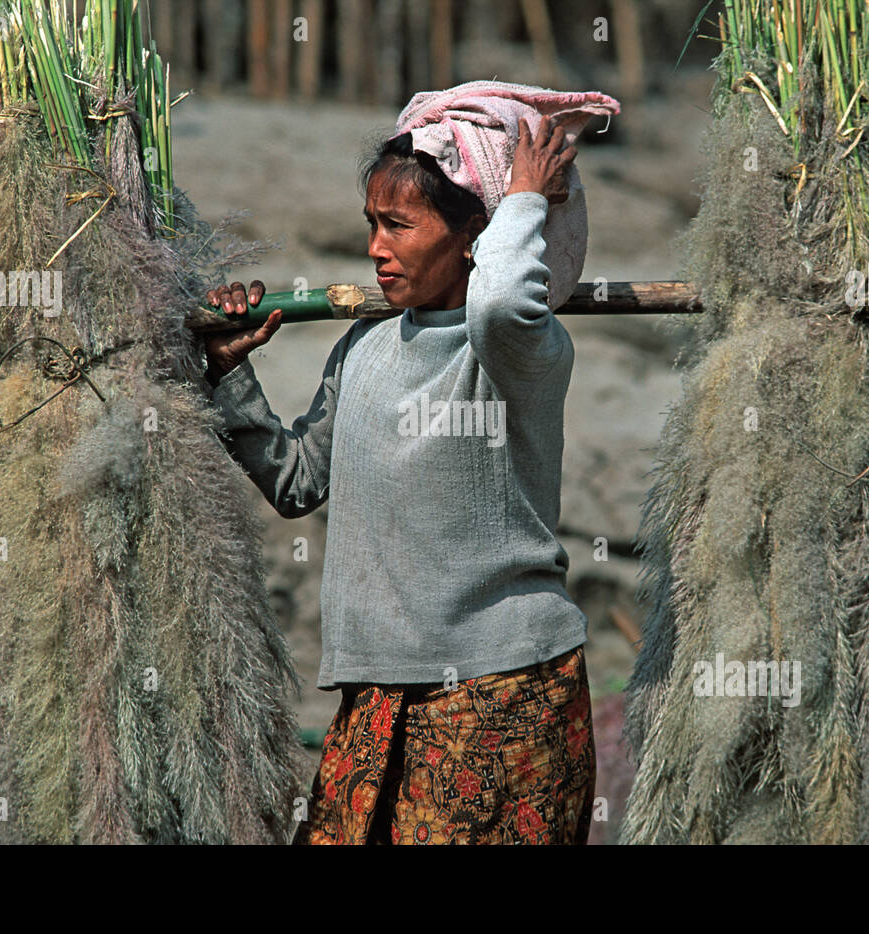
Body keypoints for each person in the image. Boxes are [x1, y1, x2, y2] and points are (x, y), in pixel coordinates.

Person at [204, 113, 596, 845]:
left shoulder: (520, 351)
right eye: (371, 225)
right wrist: (230, 375)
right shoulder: (364, 348)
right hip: (378, 697)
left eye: (399, 226)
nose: (376, 250)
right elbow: (295, 483)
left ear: (475, 233)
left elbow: (502, 300)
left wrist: (524, 198)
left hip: (502, 693)